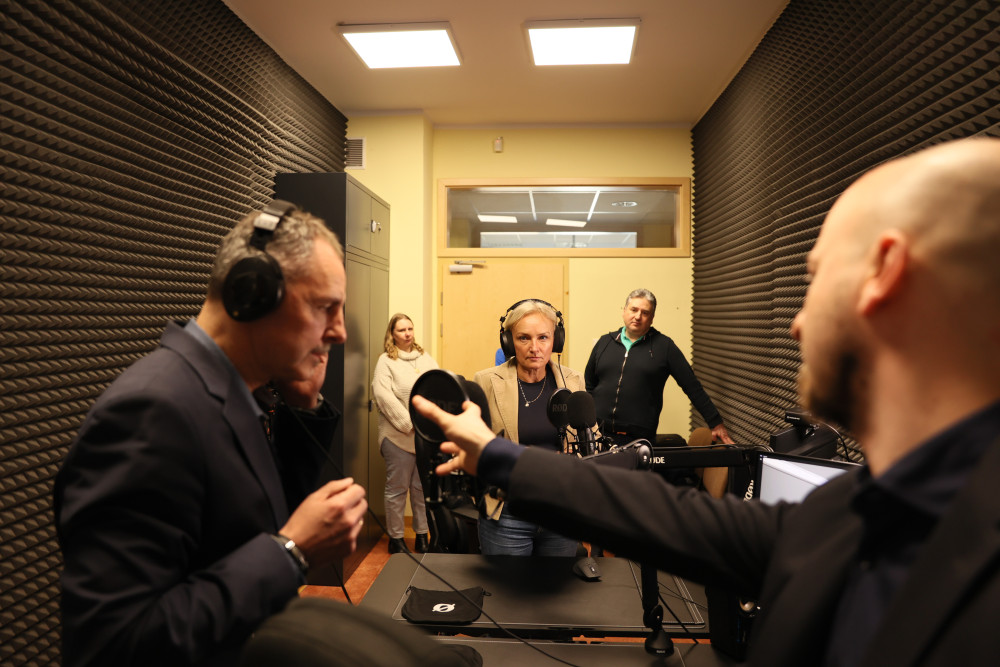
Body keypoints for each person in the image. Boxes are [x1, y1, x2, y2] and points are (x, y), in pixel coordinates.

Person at [413, 138, 1000, 666]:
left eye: (816, 276)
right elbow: (673, 520)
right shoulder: (856, 509)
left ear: (886, 273)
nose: (797, 323)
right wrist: (497, 456)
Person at [54, 202, 368, 667]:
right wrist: (292, 552)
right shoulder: (152, 412)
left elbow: (257, 522)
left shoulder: (235, 393)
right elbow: (113, 645)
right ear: (253, 292)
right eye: (325, 308)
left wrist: (304, 408)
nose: (339, 332)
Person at [472, 299, 587, 557]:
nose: (534, 348)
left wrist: (572, 460)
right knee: (508, 582)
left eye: (543, 337)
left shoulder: (573, 380)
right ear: (509, 342)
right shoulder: (486, 381)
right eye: (524, 338)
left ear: (556, 340)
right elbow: (473, 446)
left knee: (556, 581)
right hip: (507, 511)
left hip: (561, 510)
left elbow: (590, 441)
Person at [585, 288, 734, 446]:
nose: (638, 316)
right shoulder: (604, 342)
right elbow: (588, 384)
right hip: (599, 435)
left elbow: (692, 386)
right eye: (634, 309)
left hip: (638, 439)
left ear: (652, 318)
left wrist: (715, 423)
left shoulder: (664, 347)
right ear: (624, 311)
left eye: (645, 313)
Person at [372, 313, 438, 554]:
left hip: (423, 437)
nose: (407, 333)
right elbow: (383, 396)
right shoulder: (386, 361)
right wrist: (409, 423)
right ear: (392, 334)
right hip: (397, 435)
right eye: (401, 330)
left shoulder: (425, 358)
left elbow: (437, 386)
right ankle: (396, 539)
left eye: (410, 328)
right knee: (397, 489)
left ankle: (422, 536)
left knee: (421, 490)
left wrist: (430, 423)